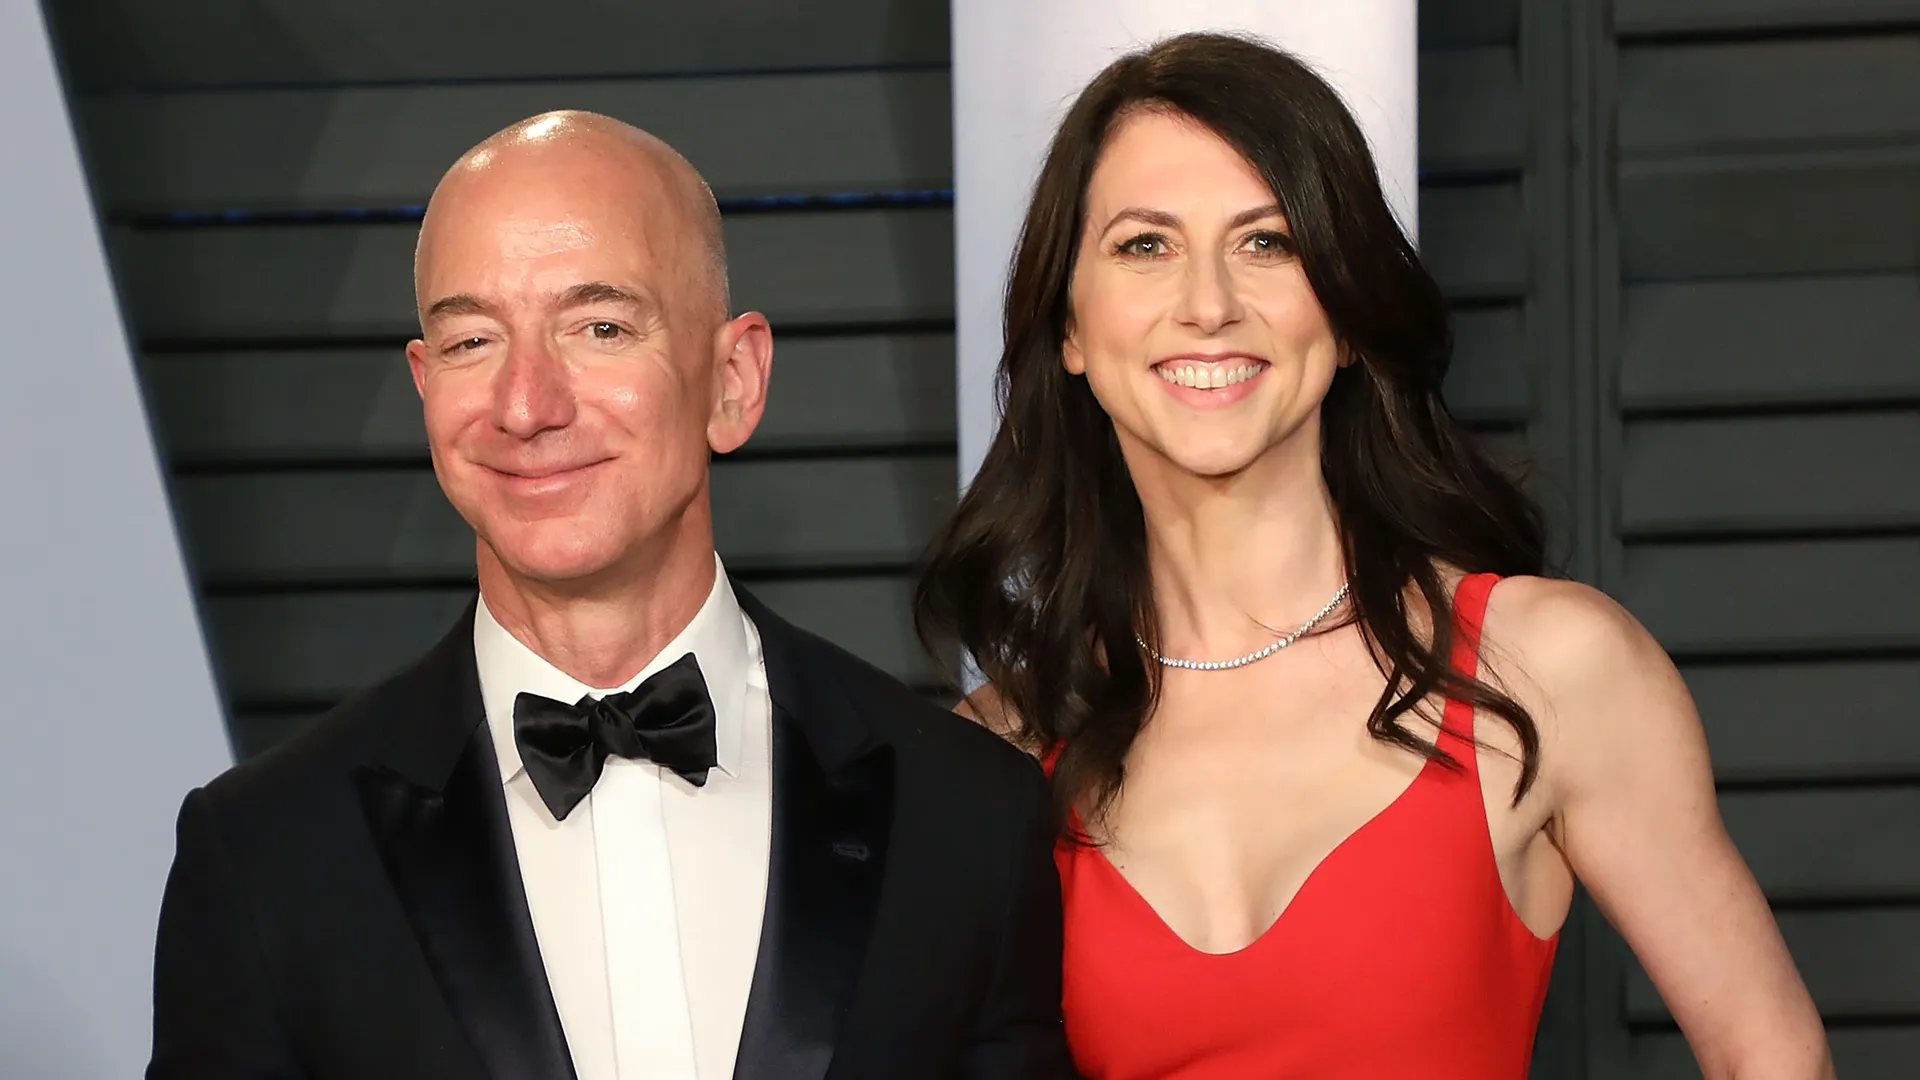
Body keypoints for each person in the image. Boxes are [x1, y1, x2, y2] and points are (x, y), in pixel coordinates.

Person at [915, 32, 1831, 1080]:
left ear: (1347, 315)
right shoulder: (997, 754)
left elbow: (1773, 1058)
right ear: (1071, 329)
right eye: (1145, 245)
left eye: (1267, 242)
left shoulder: (1547, 669)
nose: (1208, 303)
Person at [148, 111, 1074, 1080]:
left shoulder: (967, 815)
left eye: (601, 328)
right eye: (472, 340)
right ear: (424, 386)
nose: (526, 405)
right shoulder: (266, 855)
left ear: (732, 381)